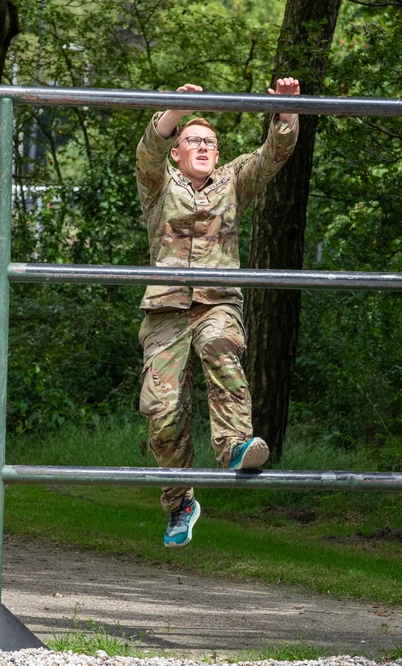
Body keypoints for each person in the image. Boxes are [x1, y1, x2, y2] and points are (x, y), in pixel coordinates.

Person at [135, 78, 300, 547]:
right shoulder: (158, 184)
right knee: (163, 413)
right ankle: (179, 502)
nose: (204, 146)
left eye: (210, 141)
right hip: (165, 309)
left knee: (219, 346)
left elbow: (274, 154)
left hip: (217, 303)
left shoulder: (233, 181)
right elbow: (148, 149)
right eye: (193, 140)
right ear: (177, 152)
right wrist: (177, 109)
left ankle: (234, 446)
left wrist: (287, 109)